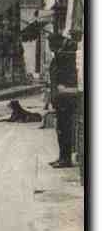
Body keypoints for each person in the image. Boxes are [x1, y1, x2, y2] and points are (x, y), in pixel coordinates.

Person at [48, 33, 78, 168]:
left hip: (65, 98)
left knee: (65, 129)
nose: (50, 47)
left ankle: (65, 159)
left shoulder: (64, 57)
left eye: (51, 44)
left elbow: (64, 77)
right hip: (60, 98)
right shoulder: (59, 56)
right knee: (61, 129)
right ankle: (62, 157)